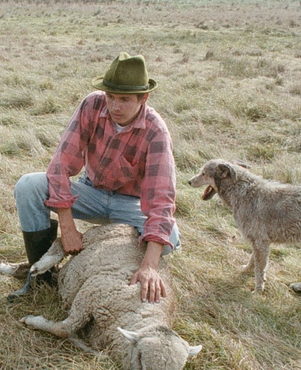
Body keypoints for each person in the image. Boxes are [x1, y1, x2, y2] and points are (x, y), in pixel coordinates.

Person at [13, 52, 181, 304]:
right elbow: (60, 165)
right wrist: (68, 227)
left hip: (130, 205)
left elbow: (161, 200)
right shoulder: (92, 105)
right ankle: (41, 276)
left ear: (143, 98)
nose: (115, 106)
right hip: (91, 193)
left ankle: (107, 256)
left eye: (124, 100)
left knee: (170, 241)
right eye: (110, 97)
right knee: (28, 186)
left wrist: (149, 267)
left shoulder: (156, 131)